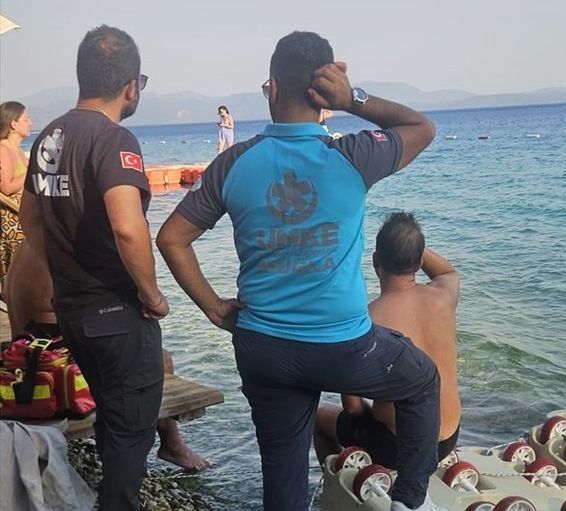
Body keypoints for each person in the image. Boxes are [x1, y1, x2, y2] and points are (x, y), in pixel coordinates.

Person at [157, 31, 440, 511]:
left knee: (283, 468)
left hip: (264, 348)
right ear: (324, 91)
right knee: (421, 380)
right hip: (345, 348)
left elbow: (171, 238)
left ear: (271, 88)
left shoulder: (233, 162)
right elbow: (421, 127)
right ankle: (408, 502)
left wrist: (215, 309)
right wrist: (353, 100)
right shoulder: (353, 155)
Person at [19, 25, 169, 510]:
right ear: (131, 86)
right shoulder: (113, 138)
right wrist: (151, 295)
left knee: (113, 412)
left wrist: (61, 265)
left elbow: (30, 218)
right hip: (116, 310)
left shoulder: (50, 134)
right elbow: (127, 227)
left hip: (73, 308)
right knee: (133, 428)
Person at [5, 239, 209, 472]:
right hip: (52, 364)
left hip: (29, 351)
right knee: (160, 360)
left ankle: (141, 448)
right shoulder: (64, 249)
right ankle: (170, 445)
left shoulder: (31, 243)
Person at [314, 213, 461, 470]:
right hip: (448, 438)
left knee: (317, 419)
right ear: (419, 262)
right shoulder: (444, 295)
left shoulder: (365, 322)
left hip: (398, 447)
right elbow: (447, 271)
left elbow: (353, 408)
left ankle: (338, 484)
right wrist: (411, 246)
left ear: (375, 260)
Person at [0, 101, 32, 295]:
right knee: (18, 270)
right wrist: (31, 171)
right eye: (26, 119)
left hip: (24, 216)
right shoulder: (4, 149)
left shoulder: (18, 150)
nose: (30, 122)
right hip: (12, 221)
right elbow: (6, 187)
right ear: (13, 123)